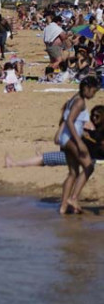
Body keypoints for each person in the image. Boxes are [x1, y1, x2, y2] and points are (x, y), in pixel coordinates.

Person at [56, 75, 99, 215]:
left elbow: (66, 119)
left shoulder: (73, 99)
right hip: (71, 140)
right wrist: (79, 141)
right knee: (89, 166)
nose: (94, 94)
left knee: (73, 173)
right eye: (93, 91)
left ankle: (63, 208)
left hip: (65, 139)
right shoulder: (80, 102)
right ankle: (73, 198)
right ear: (87, 88)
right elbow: (69, 121)